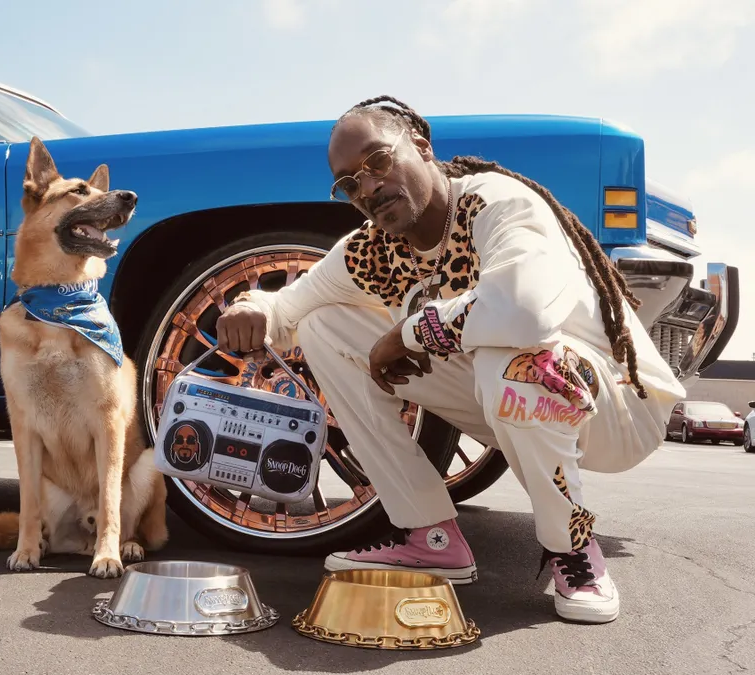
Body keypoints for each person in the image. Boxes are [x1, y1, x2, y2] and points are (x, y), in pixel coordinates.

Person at [215, 96, 686, 624]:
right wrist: (250, 306)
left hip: (618, 406)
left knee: (513, 357)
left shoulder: (497, 202)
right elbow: (291, 305)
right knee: (326, 325)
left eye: (377, 162)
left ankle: (571, 548)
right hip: (507, 398)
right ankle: (429, 534)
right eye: (349, 183)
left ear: (420, 146)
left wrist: (410, 333)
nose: (367, 188)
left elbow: (522, 311)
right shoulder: (371, 250)